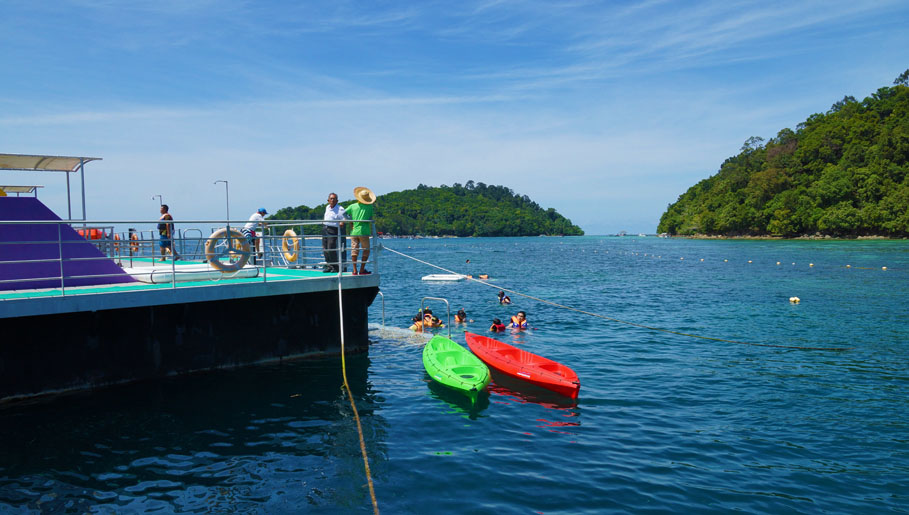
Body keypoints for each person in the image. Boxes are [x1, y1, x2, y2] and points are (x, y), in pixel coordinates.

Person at [347, 186, 375, 275]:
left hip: (354, 231)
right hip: (364, 231)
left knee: (354, 250)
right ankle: (362, 269)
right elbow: (370, 217)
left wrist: (350, 222)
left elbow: (343, 213)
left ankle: (354, 270)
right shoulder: (369, 207)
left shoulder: (352, 206)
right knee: (366, 250)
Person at [322, 192, 347, 273]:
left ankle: (336, 267)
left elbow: (345, 217)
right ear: (328, 200)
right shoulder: (327, 207)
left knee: (331, 248)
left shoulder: (340, 209)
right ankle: (329, 266)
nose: (332, 200)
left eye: (334, 199)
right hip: (325, 228)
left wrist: (342, 222)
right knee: (325, 249)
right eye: (331, 199)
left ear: (337, 200)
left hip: (333, 229)